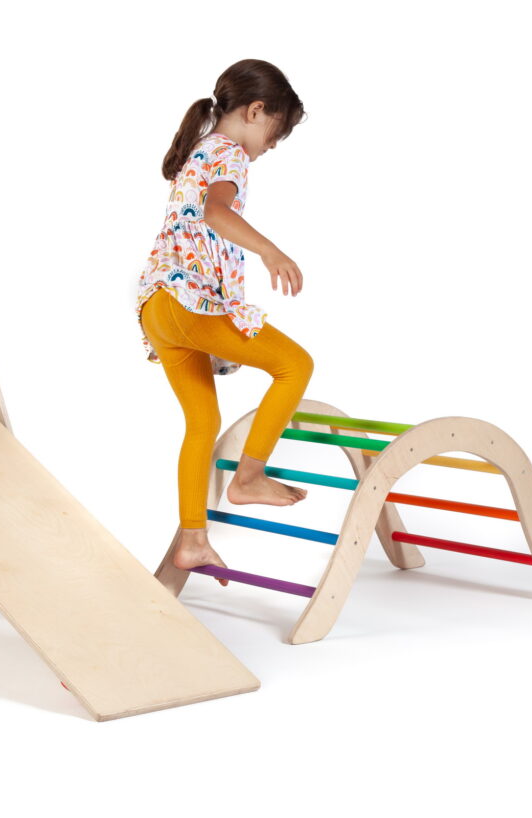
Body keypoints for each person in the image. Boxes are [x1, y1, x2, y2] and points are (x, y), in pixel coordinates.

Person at [136, 59, 314, 584]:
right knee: (295, 365)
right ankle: (249, 477)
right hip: (188, 303)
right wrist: (271, 251)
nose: (273, 145)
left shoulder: (200, 148)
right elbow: (216, 212)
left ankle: (193, 541)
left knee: (202, 423)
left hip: (158, 308)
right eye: (276, 132)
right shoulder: (230, 152)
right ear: (256, 111)